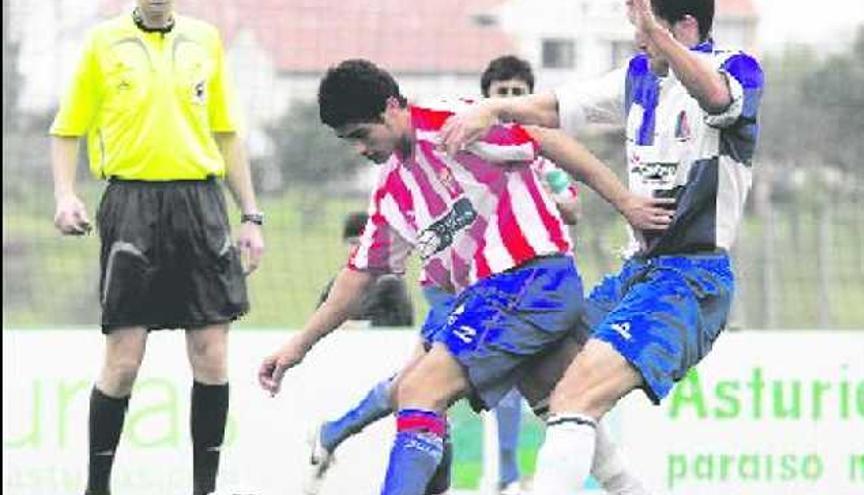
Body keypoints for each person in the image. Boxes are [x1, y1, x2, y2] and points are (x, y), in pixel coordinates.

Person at [258, 58, 671, 495]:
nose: (360, 148)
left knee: (418, 390)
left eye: (362, 134)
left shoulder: (449, 124)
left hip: (530, 280)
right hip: (493, 297)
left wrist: (625, 201)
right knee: (566, 410)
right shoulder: (392, 188)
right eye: (349, 141)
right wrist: (297, 346)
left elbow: (545, 137)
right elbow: (359, 275)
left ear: (393, 106)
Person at [439, 0, 764, 492]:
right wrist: (494, 108)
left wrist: (660, 35)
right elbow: (556, 107)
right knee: (540, 364)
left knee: (576, 396)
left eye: (643, 28)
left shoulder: (734, 69)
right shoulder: (638, 76)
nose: (636, 39)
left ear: (685, 26)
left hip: (691, 281)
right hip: (638, 274)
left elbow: (716, 96)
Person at [49, 2, 265, 494]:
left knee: (211, 353)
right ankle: (96, 487)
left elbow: (227, 133)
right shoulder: (103, 42)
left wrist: (250, 215)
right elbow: (67, 131)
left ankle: (204, 488)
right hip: (131, 204)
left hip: (201, 203)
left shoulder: (205, 40)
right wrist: (65, 195)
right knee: (124, 360)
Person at [317, 211, 415, 327]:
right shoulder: (337, 283)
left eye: (363, 243)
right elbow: (318, 320)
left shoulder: (390, 283)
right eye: (353, 243)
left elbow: (402, 322)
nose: (357, 249)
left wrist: (359, 327)